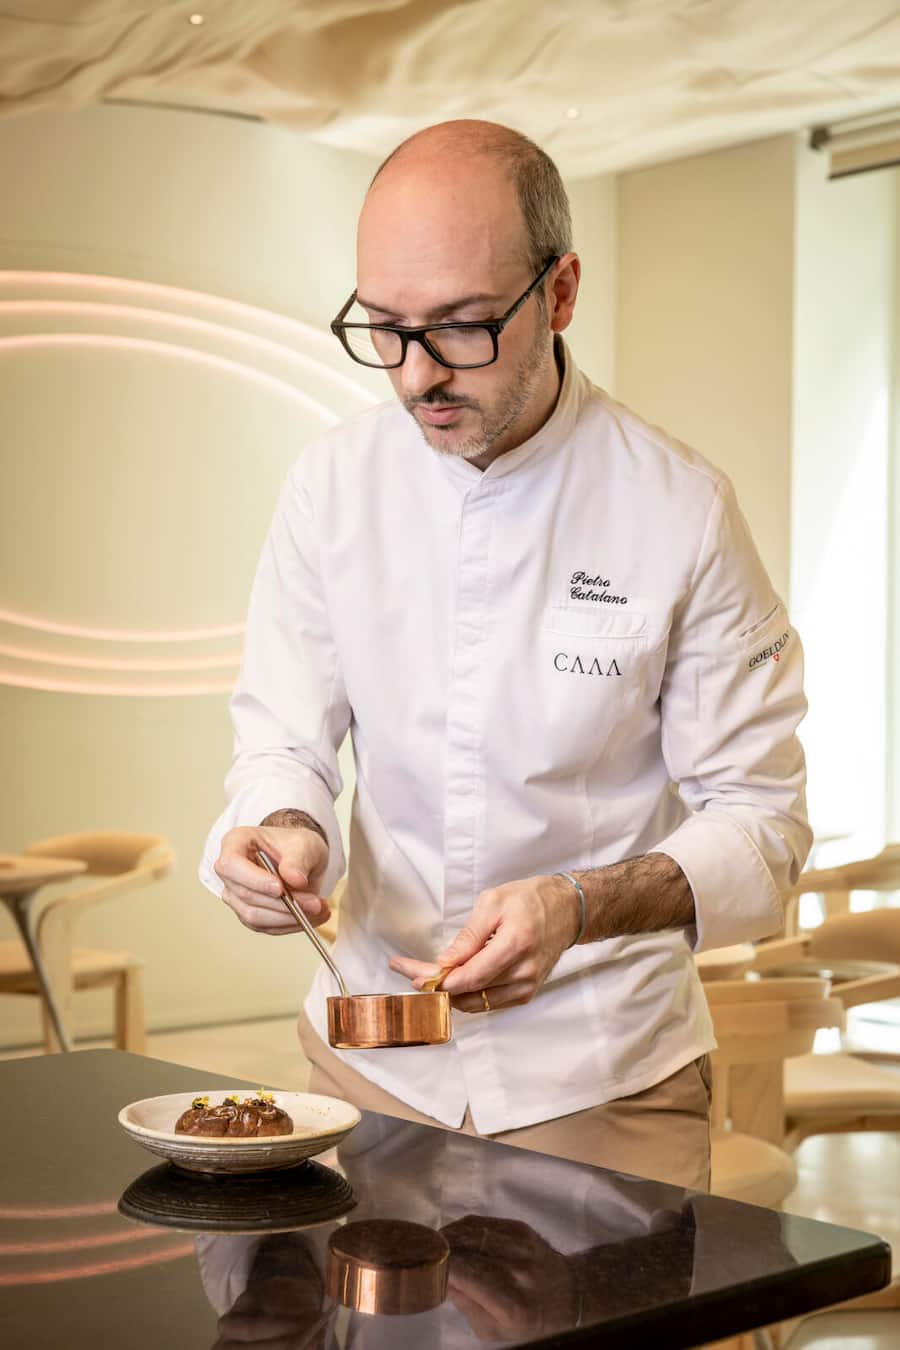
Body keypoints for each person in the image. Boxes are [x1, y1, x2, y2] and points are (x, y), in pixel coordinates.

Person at [200, 118, 811, 1191]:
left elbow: (763, 833)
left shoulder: (682, 509)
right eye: (384, 328)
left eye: (464, 327)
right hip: (370, 1064)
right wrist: (284, 828)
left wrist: (575, 905)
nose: (415, 375)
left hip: (604, 1079)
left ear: (561, 292)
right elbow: (284, 738)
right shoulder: (331, 487)